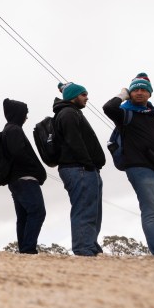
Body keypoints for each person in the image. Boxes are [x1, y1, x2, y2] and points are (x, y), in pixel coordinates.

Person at [102, 73, 154, 257]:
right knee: (152, 212)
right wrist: (122, 95)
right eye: (136, 90)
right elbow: (108, 107)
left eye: (144, 90)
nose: (140, 93)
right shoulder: (125, 113)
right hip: (140, 168)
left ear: (150, 94)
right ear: (131, 93)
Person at [53, 82, 105, 256]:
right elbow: (74, 141)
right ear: (73, 97)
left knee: (93, 211)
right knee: (84, 210)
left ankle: (90, 245)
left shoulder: (72, 112)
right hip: (79, 168)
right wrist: (88, 163)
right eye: (83, 94)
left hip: (85, 168)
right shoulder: (68, 113)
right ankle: (84, 248)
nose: (87, 98)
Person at [1, 98, 47, 254]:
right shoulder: (14, 130)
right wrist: (37, 169)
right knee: (37, 212)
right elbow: (18, 153)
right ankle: (28, 249)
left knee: (24, 216)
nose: (26, 117)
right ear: (18, 114)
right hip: (25, 179)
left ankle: (24, 250)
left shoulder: (10, 129)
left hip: (16, 180)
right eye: (25, 114)